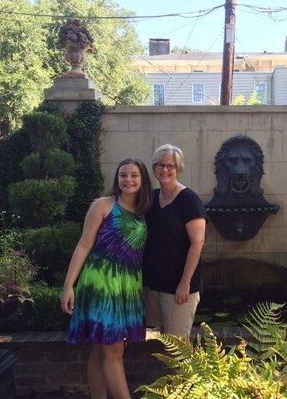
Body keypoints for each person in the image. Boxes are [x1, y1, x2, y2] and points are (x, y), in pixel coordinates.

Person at [60, 158, 152, 399]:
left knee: (100, 348)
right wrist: (69, 285)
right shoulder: (103, 205)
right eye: (123, 175)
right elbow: (83, 245)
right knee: (114, 349)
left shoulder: (144, 212)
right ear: (117, 178)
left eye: (134, 175)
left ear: (143, 180)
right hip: (100, 283)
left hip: (127, 285)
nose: (128, 180)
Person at [143, 144, 207, 340]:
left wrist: (184, 283)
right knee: (165, 342)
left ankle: (187, 373)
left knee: (179, 347)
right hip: (154, 285)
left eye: (170, 166)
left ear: (178, 169)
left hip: (178, 288)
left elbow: (197, 243)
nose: (165, 170)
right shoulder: (152, 198)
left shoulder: (189, 200)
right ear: (154, 168)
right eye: (160, 165)